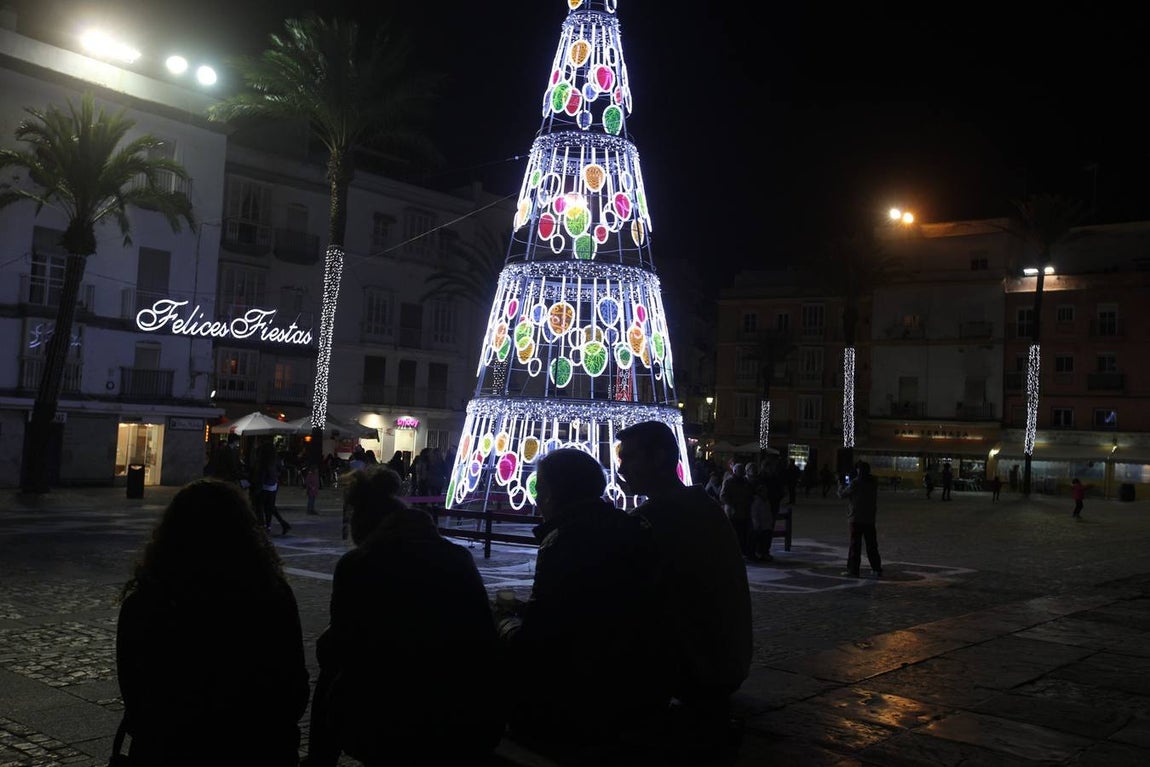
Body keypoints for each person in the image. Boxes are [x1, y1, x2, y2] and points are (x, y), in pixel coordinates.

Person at [304, 466, 504, 766]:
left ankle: (320, 759)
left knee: (334, 667)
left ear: (363, 525)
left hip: (389, 716)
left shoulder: (361, 564)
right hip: (465, 708)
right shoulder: (456, 557)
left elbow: (343, 647)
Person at [115, 479, 309, 766]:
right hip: (258, 749)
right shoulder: (270, 596)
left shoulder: (146, 603)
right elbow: (293, 688)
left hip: (169, 752)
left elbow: (137, 696)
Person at [496, 448, 670, 754]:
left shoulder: (562, 540)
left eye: (539, 490)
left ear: (549, 493)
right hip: (642, 685)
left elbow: (539, 640)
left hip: (582, 699)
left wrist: (505, 623)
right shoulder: (635, 527)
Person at [615, 421, 751, 759]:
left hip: (691, 670)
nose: (621, 469)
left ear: (660, 457)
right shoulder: (704, 508)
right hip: (726, 662)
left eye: (629, 458)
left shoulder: (654, 520)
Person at [838, 461, 882, 578]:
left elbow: (842, 495)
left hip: (856, 518)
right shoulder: (873, 482)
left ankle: (853, 570)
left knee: (855, 546)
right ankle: (876, 568)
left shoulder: (856, 483)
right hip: (869, 518)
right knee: (872, 545)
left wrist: (840, 485)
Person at [257, 441, 291, 535]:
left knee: (262, 506)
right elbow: (281, 470)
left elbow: (262, 473)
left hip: (265, 485)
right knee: (270, 507)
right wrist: (277, 476)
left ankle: (265, 525)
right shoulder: (276, 459)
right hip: (273, 485)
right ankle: (269, 525)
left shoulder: (264, 459)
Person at [719, 463, 753, 557]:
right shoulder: (729, 482)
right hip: (733, 512)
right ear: (735, 471)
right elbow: (723, 496)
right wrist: (731, 505)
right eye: (740, 471)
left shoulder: (745, 482)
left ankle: (742, 551)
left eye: (743, 471)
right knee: (734, 532)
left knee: (743, 532)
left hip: (744, 511)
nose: (742, 472)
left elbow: (749, 494)